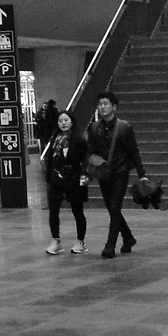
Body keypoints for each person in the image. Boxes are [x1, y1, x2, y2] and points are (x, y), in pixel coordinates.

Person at [85, 92, 145, 259]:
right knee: (112, 209)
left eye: (105, 103)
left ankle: (110, 246)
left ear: (114, 107)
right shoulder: (95, 127)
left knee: (114, 207)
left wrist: (142, 174)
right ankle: (128, 237)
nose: (102, 106)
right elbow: (90, 151)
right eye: (100, 104)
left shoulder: (124, 127)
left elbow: (134, 151)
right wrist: (87, 172)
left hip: (120, 172)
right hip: (104, 173)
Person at [41, 109, 90, 256]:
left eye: (66, 120)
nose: (63, 123)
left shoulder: (80, 140)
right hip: (57, 178)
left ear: (72, 122)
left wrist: (84, 175)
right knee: (53, 210)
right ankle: (56, 240)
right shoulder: (55, 140)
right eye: (60, 121)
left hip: (74, 178)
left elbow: (86, 160)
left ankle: (80, 241)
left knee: (77, 210)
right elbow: (50, 160)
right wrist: (49, 179)